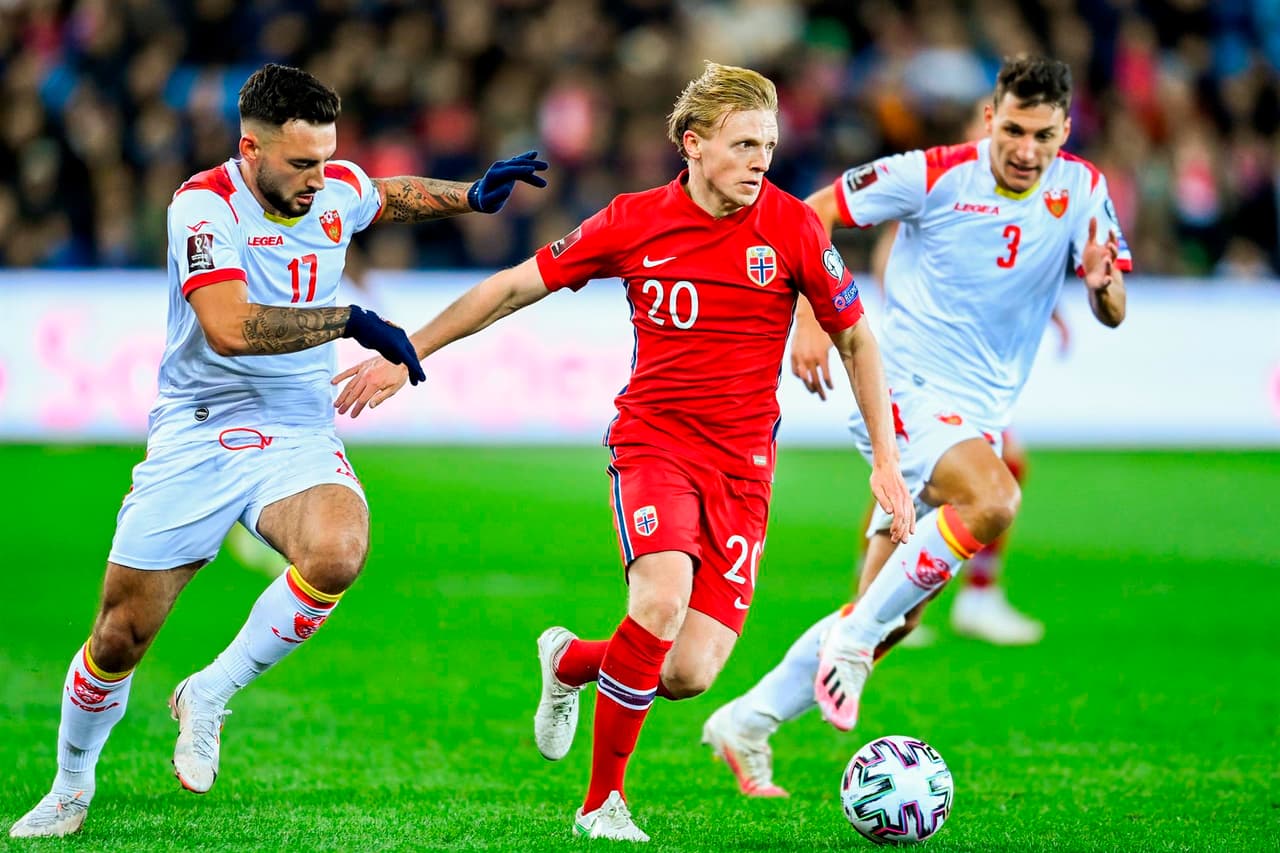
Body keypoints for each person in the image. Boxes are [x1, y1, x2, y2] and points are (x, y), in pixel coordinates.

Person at [331, 61, 915, 842]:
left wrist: (885, 459)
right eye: (744, 144)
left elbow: (855, 338)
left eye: (769, 146)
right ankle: (601, 803)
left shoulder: (793, 226)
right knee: (660, 602)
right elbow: (510, 287)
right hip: (656, 445)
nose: (760, 161)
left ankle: (570, 661)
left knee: (688, 671)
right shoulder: (634, 221)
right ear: (694, 143)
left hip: (743, 470)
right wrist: (408, 351)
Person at [9, 63, 547, 839]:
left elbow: (380, 194)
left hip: (294, 425)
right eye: (301, 163)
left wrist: (470, 194)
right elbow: (229, 326)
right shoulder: (202, 207)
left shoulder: (330, 185)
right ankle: (69, 784)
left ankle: (210, 692)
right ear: (249, 148)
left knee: (339, 549)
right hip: (199, 426)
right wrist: (348, 320)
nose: (319, 178)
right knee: (119, 635)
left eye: (326, 159)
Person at [701, 55, 1130, 797]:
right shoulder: (934, 173)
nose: (1028, 151)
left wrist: (1103, 285)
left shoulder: (1084, 189)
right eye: (1016, 131)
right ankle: (855, 642)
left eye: (1047, 137)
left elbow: (1114, 309)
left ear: (1066, 133)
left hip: (977, 412)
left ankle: (747, 720)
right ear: (990, 119)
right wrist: (807, 311)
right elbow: (810, 212)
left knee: (884, 610)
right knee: (993, 500)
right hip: (904, 389)